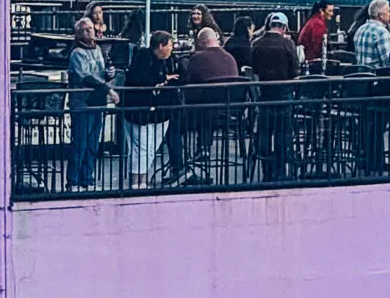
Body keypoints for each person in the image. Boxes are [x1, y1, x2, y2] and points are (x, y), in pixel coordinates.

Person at [121, 28, 177, 186]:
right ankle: (138, 180)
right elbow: (139, 78)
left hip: (159, 112)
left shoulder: (170, 60)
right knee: (141, 147)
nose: (172, 49)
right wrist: (162, 79)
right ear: (161, 46)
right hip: (140, 110)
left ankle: (141, 179)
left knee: (150, 147)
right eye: (170, 45)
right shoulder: (143, 58)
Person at [248, 10, 299, 183]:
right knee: (282, 134)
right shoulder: (288, 45)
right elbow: (295, 72)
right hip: (283, 95)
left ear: (269, 25)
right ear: (284, 27)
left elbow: (253, 69)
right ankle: (280, 171)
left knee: (264, 133)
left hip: (264, 95)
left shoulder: (256, 43)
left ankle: (266, 170)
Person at [181, 25, 238, 179]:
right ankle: (204, 147)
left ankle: (184, 158)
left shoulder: (197, 58)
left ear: (201, 41)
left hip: (204, 107)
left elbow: (190, 83)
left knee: (187, 108)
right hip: (231, 107)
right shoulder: (229, 58)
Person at [66, 16, 111, 191]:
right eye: (85, 29)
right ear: (78, 34)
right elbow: (85, 76)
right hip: (82, 102)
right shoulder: (77, 53)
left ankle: (88, 178)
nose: (89, 32)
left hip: (96, 101)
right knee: (80, 142)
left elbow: (100, 72)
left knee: (93, 143)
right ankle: (74, 180)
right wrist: (107, 88)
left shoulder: (98, 49)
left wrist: (108, 74)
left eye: (90, 28)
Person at [353, 0, 390, 69]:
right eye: (388, 11)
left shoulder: (360, 29)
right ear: (381, 15)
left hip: (360, 76)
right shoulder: (382, 32)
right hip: (376, 77)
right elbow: (388, 62)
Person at [297, 1, 335, 67]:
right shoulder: (318, 24)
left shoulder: (313, 21)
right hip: (312, 63)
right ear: (321, 10)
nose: (332, 14)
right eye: (330, 11)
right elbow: (318, 47)